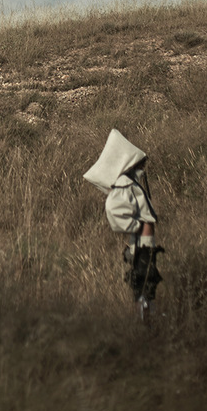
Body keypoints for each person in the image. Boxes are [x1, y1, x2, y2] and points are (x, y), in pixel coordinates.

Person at [83, 129, 164, 321]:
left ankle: (148, 319)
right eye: (140, 162)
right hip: (141, 245)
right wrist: (136, 226)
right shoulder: (124, 184)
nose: (143, 165)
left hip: (145, 244)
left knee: (147, 282)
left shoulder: (131, 183)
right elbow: (113, 210)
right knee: (143, 282)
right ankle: (144, 322)